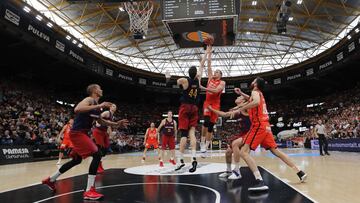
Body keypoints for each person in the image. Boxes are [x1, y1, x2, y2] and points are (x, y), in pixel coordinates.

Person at [42, 84, 128, 200]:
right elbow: (77, 109)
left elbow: (101, 121)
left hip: (82, 133)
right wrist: (100, 105)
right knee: (97, 154)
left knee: (76, 160)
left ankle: (51, 179)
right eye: (99, 88)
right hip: (77, 133)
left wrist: (116, 124)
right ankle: (89, 191)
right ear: (94, 91)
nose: (101, 89)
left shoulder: (97, 107)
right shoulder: (89, 100)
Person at [230, 78, 307, 191]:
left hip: (258, 125)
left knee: (244, 152)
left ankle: (259, 181)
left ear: (255, 84)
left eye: (254, 80)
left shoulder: (255, 92)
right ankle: (300, 172)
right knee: (276, 151)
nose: (252, 82)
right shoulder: (258, 93)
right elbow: (252, 99)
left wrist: (242, 107)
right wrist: (241, 93)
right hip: (266, 126)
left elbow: (255, 102)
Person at [175, 46, 211, 172]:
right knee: (192, 133)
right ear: (195, 74)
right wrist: (207, 52)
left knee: (184, 134)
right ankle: (194, 158)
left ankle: (180, 160)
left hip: (185, 107)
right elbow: (201, 65)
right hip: (195, 108)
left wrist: (179, 84)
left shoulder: (185, 81)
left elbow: (178, 81)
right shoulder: (198, 80)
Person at [208, 95, 250, 179]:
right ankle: (228, 170)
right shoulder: (238, 110)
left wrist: (238, 106)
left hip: (250, 133)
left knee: (235, 144)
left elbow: (250, 100)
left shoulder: (247, 107)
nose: (237, 97)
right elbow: (224, 114)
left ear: (244, 101)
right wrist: (212, 109)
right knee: (228, 152)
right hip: (242, 133)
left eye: (239, 97)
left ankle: (237, 171)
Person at [198, 46, 226, 156]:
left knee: (210, 126)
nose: (215, 72)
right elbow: (209, 64)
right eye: (215, 71)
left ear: (220, 75)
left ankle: (207, 145)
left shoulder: (222, 82)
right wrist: (209, 52)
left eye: (217, 72)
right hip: (207, 102)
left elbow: (216, 91)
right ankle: (202, 142)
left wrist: (204, 88)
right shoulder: (210, 78)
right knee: (205, 121)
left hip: (215, 105)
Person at [92, 103, 117, 173]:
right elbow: (99, 117)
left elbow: (109, 126)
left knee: (106, 149)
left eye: (115, 106)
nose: (115, 107)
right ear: (110, 107)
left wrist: (111, 134)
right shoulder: (107, 112)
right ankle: (97, 166)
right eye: (113, 106)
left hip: (104, 132)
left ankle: (99, 162)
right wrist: (97, 122)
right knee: (101, 149)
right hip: (98, 131)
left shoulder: (112, 116)